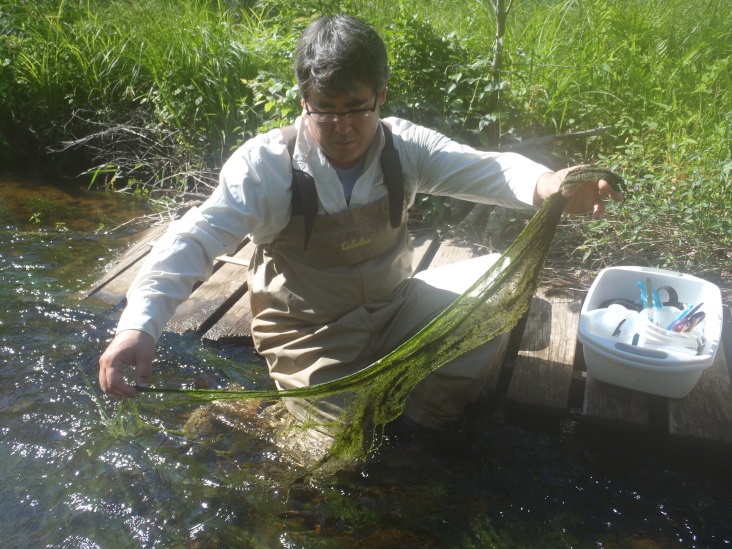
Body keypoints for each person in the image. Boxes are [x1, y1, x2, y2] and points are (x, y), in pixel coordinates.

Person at [99, 15, 623, 429]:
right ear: (305, 102)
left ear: (381, 97)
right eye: (325, 109)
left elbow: (490, 169)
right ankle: (254, 409)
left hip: (396, 309)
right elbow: (196, 238)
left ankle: (414, 418)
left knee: (486, 326)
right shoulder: (265, 166)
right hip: (308, 334)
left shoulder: (406, 146)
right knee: (336, 458)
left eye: (357, 107)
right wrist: (138, 325)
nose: (343, 128)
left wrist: (549, 185)